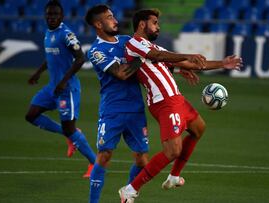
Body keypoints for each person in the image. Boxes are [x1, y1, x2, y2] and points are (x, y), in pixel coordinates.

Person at [119, 9, 242, 202]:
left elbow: (186, 63)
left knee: (199, 128)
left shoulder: (151, 46)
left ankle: (174, 176)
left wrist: (222, 64)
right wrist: (187, 57)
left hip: (176, 99)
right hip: (163, 102)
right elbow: (159, 56)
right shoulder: (135, 44)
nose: (158, 26)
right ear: (142, 25)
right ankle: (130, 189)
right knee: (172, 151)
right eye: (154, 22)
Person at [84, 5, 205, 203]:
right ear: (98, 24)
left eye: (114, 15)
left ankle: (128, 196)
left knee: (142, 159)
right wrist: (145, 54)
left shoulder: (126, 41)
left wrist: (172, 67)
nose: (115, 20)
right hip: (112, 110)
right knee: (104, 155)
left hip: (136, 109)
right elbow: (122, 73)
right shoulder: (96, 51)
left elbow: (151, 62)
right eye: (109, 17)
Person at [25, 0, 96, 178]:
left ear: (62, 16)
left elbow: (80, 58)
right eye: (49, 14)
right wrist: (37, 73)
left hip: (67, 88)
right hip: (52, 87)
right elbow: (50, 57)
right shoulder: (48, 34)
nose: (52, 18)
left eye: (55, 14)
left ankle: (95, 164)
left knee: (69, 128)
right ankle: (70, 135)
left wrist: (64, 81)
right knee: (31, 115)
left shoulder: (67, 35)